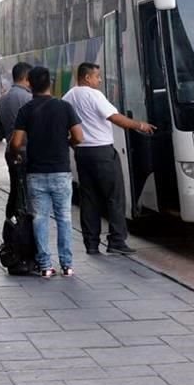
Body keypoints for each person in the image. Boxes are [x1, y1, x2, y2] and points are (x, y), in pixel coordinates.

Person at [63, 62, 155, 255]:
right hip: (102, 153)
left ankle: (91, 243)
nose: (100, 80)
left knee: (89, 198)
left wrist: (73, 142)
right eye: (98, 76)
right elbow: (114, 117)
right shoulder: (94, 95)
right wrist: (140, 125)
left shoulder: (69, 96)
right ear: (87, 77)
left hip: (82, 153)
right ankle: (117, 240)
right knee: (114, 197)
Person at [10, 66, 84, 278]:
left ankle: (45, 266)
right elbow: (79, 137)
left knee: (40, 219)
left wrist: (17, 153)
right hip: (61, 171)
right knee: (64, 218)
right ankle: (67, 265)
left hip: (36, 173)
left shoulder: (26, 110)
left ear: (30, 84)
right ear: (50, 83)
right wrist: (66, 142)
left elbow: (16, 142)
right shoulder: (64, 107)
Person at [0, 62, 32, 218]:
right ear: (25, 77)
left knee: (15, 189)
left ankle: (11, 225)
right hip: (26, 151)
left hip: (10, 151)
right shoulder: (29, 99)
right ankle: (23, 229)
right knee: (26, 194)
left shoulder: (1, 101)